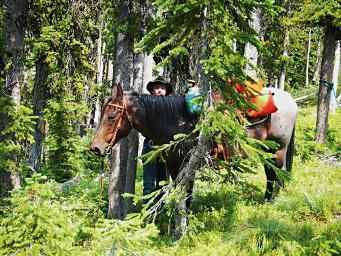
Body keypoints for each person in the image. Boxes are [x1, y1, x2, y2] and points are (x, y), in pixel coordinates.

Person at [142, 76, 173, 197]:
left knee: (163, 182)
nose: (159, 90)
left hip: (166, 148)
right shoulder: (146, 106)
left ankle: (161, 212)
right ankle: (146, 213)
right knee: (148, 183)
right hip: (149, 146)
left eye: (162, 88)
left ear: (166, 91)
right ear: (152, 91)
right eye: (157, 88)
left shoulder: (171, 107)